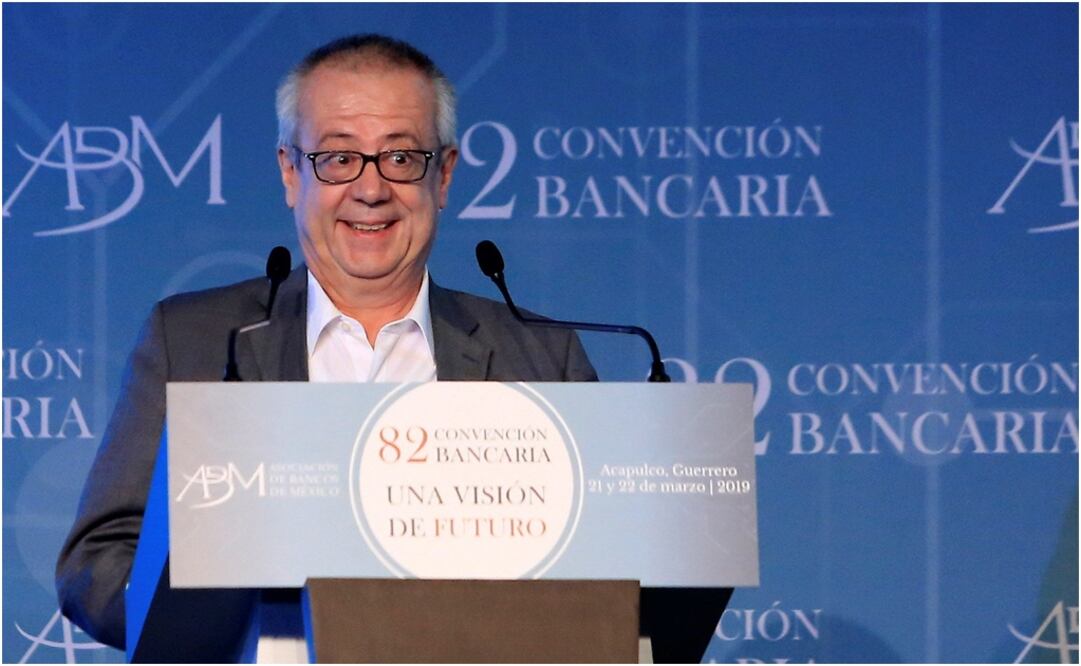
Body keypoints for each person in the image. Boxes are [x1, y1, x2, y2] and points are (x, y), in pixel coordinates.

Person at [55, 34, 596, 660]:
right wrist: (224, 632)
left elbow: (612, 580)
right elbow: (97, 562)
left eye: (401, 157)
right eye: (338, 159)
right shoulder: (196, 341)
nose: (370, 189)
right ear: (291, 172)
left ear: (443, 174)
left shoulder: (541, 357)